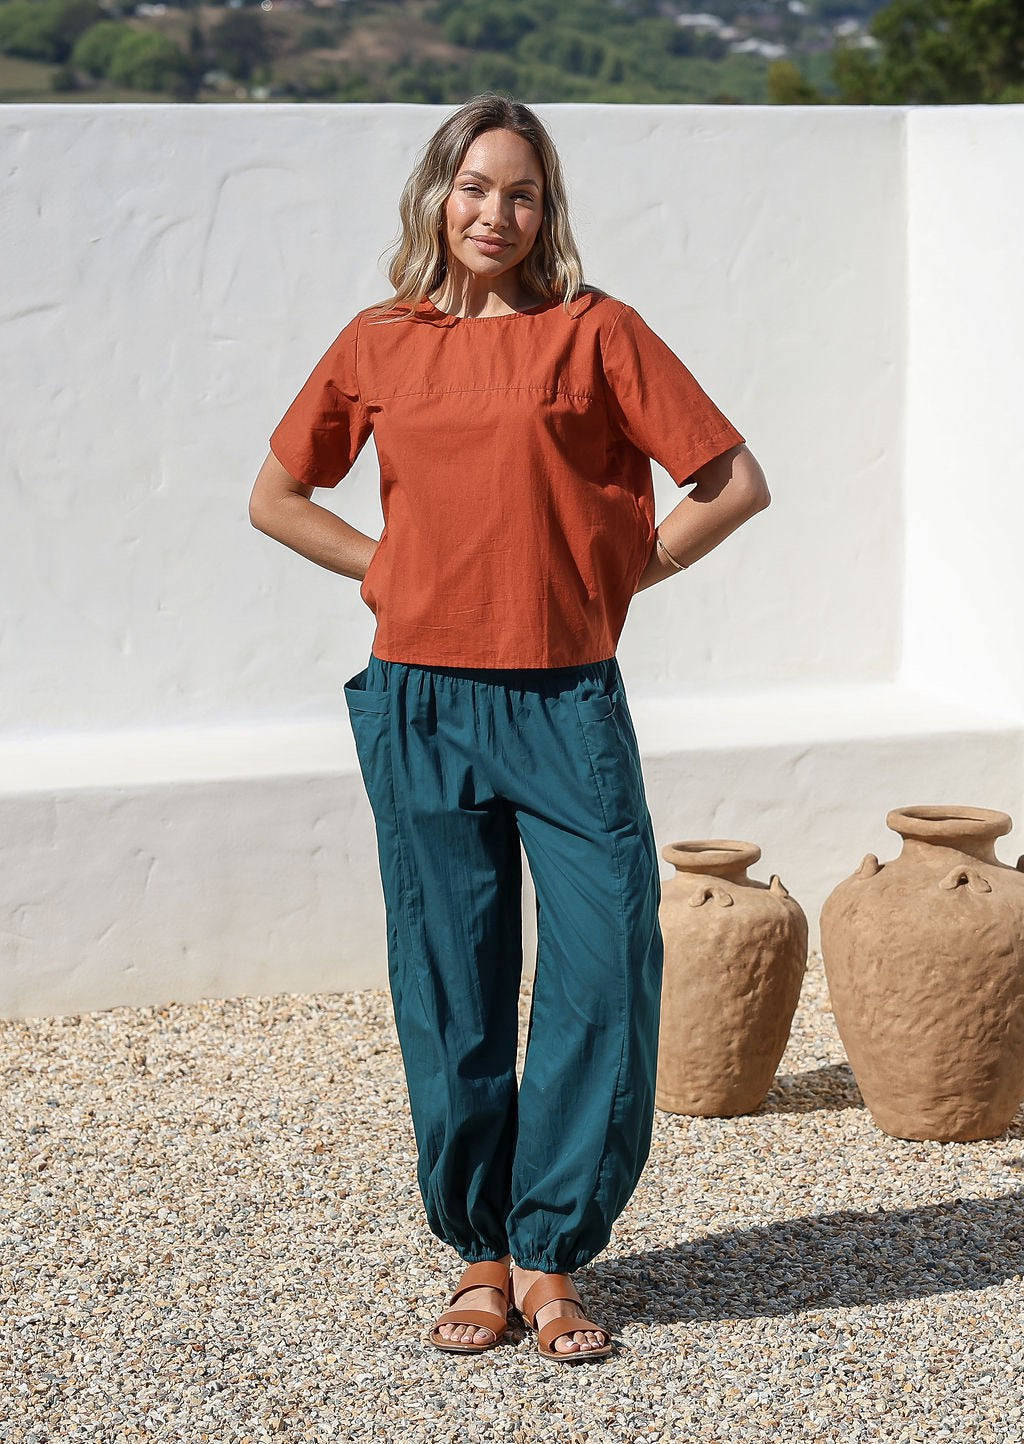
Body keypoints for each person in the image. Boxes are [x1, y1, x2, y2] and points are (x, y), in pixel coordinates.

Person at [249, 92, 770, 1364]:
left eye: (522, 192)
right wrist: (382, 572)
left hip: (565, 700)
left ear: (548, 212)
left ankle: (553, 1252)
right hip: (419, 698)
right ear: (439, 197)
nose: (497, 212)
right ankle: (482, 1252)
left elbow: (732, 482)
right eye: (476, 186)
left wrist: (614, 575)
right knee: (451, 989)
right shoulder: (380, 340)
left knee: (603, 976)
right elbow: (276, 496)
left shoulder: (597, 333)